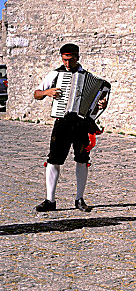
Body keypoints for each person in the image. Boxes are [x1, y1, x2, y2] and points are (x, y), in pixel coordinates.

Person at [34, 43, 108, 212]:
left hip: (81, 124)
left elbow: (97, 105)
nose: (67, 63)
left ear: (77, 57)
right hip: (62, 122)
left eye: (70, 59)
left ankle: (79, 199)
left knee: (82, 160)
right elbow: (36, 94)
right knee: (53, 160)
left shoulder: (87, 76)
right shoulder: (55, 74)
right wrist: (47, 92)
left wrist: (101, 104)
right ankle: (50, 200)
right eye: (64, 60)